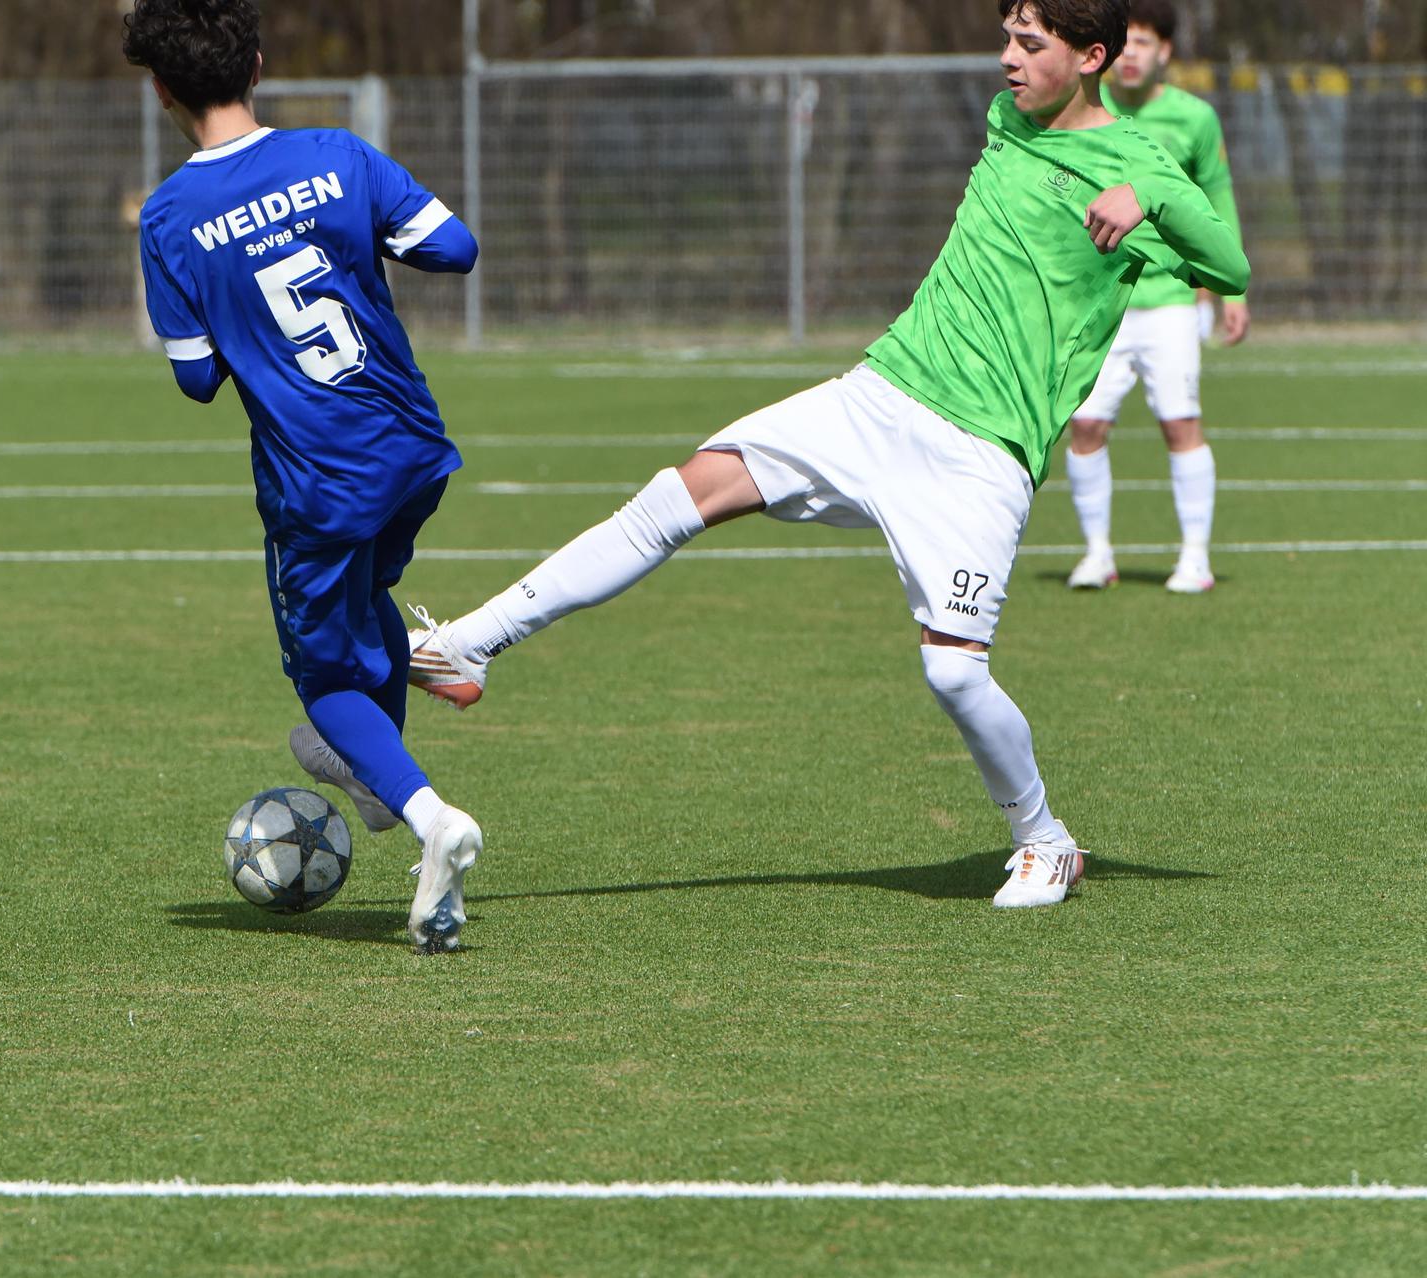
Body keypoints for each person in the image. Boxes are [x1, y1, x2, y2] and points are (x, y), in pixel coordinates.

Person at [407, 0, 1248, 909]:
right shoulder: (1011, 117)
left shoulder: (1140, 161)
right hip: (880, 395)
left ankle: (1044, 839)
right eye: (1007, 36)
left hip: (981, 452)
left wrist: (1150, 196)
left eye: (1029, 45)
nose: (1005, 59)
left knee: (953, 671)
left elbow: (1231, 264)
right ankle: (468, 645)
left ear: (1090, 58)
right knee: (678, 494)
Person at [125, 0, 484, 952]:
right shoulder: (341, 154)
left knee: (320, 681)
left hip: (316, 480)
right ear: (255, 61)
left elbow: (198, 379)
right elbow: (455, 248)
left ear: (159, 89)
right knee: (372, 599)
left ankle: (426, 814)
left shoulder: (168, 216)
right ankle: (376, 774)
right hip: (411, 449)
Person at [1064, 0, 1248, 594]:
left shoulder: (1195, 118)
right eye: (1126, 44)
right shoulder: (1088, 113)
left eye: (1144, 43)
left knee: (1180, 423)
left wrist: (1230, 295)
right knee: (1086, 427)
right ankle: (1097, 554)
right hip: (1102, 301)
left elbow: (1217, 199)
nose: (1133, 55)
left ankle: (1194, 557)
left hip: (1171, 300)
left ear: (1164, 50)